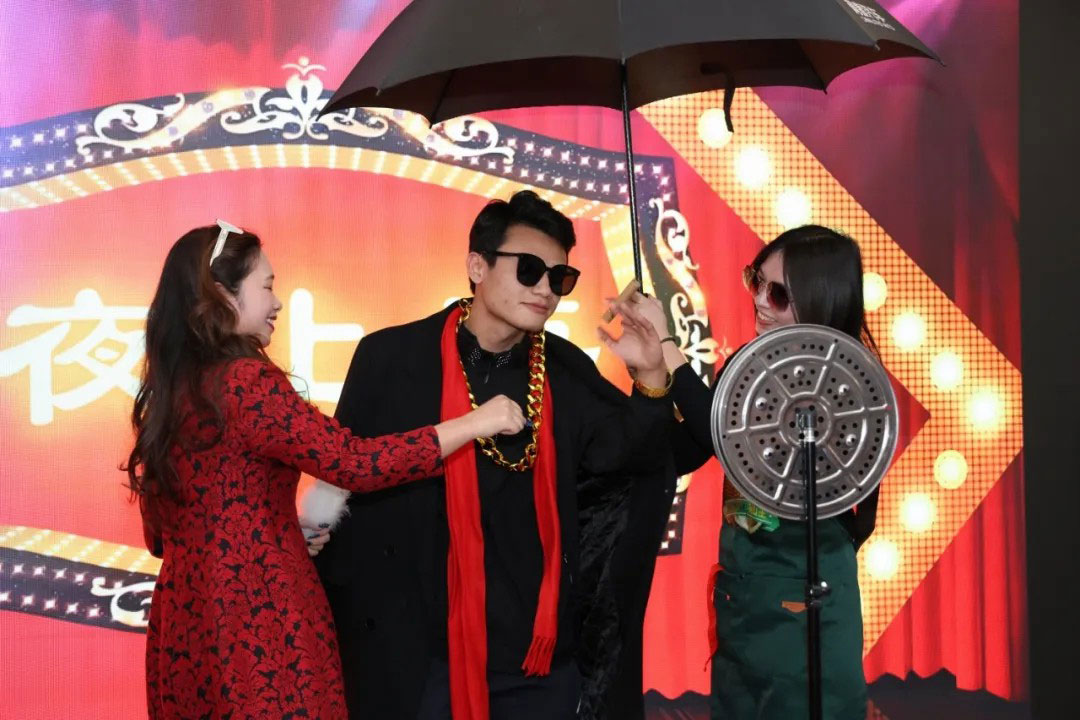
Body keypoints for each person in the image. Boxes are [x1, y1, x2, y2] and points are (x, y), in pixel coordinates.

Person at [124, 221, 523, 719]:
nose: (277, 303)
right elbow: (354, 463)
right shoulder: (247, 381)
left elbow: (162, 534)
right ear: (222, 295)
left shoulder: (172, 393)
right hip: (258, 616)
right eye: (266, 287)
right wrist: (474, 423)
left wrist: (269, 528)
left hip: (186, 623)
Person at [304, 191, 677, 720]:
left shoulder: (564, 368)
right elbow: (345, 473)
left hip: (533, 655)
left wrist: (652, 374)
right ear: (477, 266)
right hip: (416, 655)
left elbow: (631, 461)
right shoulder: (391, 356)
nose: (545, 289)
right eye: (529, 270)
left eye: (560, 278)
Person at [629, 225, 879, 720]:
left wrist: (668, 344)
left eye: (778, 293)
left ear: (822, 299)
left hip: (809, 599)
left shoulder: (843, 384)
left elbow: (719, 433)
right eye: (756, 281)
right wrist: (650, 378)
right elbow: (688, 450)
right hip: (742, 596)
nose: (761, 301)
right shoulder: (744, 367)